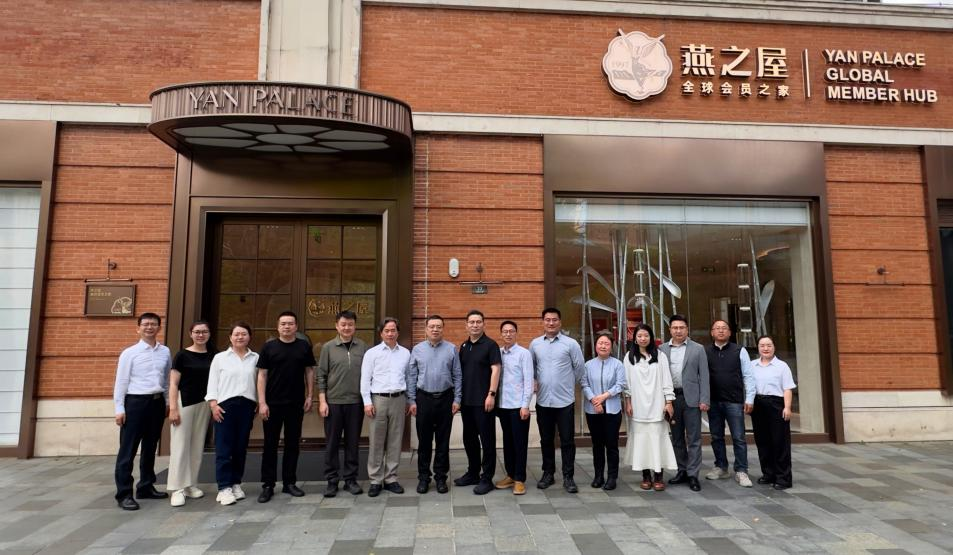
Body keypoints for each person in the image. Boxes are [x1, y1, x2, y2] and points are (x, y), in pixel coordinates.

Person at [113, 312, 172, 511]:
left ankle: (146, 486)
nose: (149, 327)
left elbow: (166, 379)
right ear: (138, 328)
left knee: (150, 447)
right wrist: (119, 408)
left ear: (159, 328)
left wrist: (167, 402)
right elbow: (121, 382)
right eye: (145, 324)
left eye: (153, 324)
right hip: (135, 403)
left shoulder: (165, 352)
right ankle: (124, 494)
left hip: (157, 403)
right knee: (128, 450)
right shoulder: (129, 353)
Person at [256, 311, 315, 502]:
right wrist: (262, 402)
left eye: (290, 323)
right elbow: (262, 375)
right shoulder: (269, 347)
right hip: (272, 404)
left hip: (295, 403)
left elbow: (309, 371)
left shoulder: (303, 346)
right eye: (283, 324)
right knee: (270, 445)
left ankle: (289, 483)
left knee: (292, 444)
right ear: (278, 326)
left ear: (296, 326)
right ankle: (268, 485)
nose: (287, 327)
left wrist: (310, 395)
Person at [530, 307, 585, 493]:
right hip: (543, 401)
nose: (551, 323)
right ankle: (548, 473)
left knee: (567, 441)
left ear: (560, 322)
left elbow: (579, 368)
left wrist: (568, 385)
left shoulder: (571, 344)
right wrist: (535, 381)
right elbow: (532, 368)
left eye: (554, 320)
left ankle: (568, 476)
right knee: (546, 440)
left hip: (565, 402)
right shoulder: (535, 344)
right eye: (547, 320)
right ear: (543, 322)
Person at [408, 315, 462, 494]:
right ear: (426, 329)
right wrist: (412, 400)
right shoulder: (417, 350)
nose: (435, 329)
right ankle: (424, 478)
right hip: (423, 399)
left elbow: (457, 375)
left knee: (443, 442)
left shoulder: (451, 349)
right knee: (424, 442)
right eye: (431, 326)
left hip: (445, 399)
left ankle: (441, 478)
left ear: (443, 329)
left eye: (438, 326)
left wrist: (457, 399)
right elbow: (412, 376)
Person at [206, 321, 258, 506]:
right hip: (225, 406)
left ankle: (236, 483)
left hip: (247, 405)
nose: (240, 337)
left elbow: (259, 381)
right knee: (224, 448)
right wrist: (213, 404)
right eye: (236, 334)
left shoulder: (256, 358)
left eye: (244, 334)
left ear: (249, 337)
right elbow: (212, 382)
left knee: (240, 447)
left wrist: (258, 402)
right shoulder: (220, 358)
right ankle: (224, 487)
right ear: (230, 337)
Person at [318, 310, 368, 498]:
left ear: (355, 326)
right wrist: (322, 401)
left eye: (350, 324)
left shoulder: (362, 347)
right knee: (332, 443)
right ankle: (332, 480)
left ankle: (350, 479)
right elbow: (321, 376)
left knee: (352, 443)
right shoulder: (328, 347)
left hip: (355, 402)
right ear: (337, 326)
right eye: (343, 324)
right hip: (333, 403)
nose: (347, 328)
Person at [623, 323, 678, 491]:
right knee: (642, 443)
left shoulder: (660, 356)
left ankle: (659, 475)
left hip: (657, 406)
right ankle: (646, 475)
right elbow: (626, 383)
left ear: (651, 337)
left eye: (646, 335)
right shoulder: (629, 357)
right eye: (639, 336)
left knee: (657, 441)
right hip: (638, 407)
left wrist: (669, 402)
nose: (643, 338)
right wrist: (628, 402)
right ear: (635, 338)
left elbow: (667, 380)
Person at [361, 317, 410, 497]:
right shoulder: (371, 353)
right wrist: (367, 402)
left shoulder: (405, 353)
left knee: (395, 441)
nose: (390, 333)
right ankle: (375, 479)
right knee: (377, 441)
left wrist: (409, 400)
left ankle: (391, 478)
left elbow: (409, 378)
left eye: (393, 330)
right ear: (381, 333)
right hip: (378, 400)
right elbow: (365, 379)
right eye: (387, 331)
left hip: (399, 399)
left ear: (398, 332)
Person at [659, 314, 709, 492]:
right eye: (675, 328)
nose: (678, 331)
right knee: (677, 437)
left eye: (681, 327)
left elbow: (704, 375)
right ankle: (682, 470)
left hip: (692, 399)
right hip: (672, 399)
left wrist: (704, 399)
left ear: (687, 329)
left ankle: (693, 474)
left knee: (694, 438)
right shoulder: (662, 349)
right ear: (670, 330)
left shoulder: (698, 349)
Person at [167, 320, 214, 507]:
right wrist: (172, 408)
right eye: (197, 332)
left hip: (204, 404)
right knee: (180, 446)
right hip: (184, 403)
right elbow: (173, 383)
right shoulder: (182, 355)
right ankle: (177, 488)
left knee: (196, 446)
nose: (201, 335)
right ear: (191, 334)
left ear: (209, 334)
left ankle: (190, 484)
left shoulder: (214, 355)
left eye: (204, 332)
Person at [455, 309, 502, 495]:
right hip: (467, 402)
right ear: (466, 325)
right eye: (471, 322)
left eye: (478, 322)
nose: (475, 325)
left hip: (484, 402)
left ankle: (487, 478)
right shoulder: (464, 346)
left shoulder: (491, 345)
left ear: (484, 324)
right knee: (469, 439)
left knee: (487, 440)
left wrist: (491, 394)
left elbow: (496, 370)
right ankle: (473, 473)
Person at [704, 320, 756, 488]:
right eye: (717, 328)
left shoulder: (739, 351)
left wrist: (749, 398)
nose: (720, 331)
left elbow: (748, 376)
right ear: (712, 332)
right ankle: (721, 466)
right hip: (713, 401)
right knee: (716, 436)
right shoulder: (705, 351)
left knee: (739, 437)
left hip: (734, 401)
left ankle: (741, 470)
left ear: (729, 332)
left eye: (724, 328)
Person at [580, 331, 626, 491]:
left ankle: (612, 477)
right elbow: (584, 384)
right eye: (600, 343)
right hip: (593, 411)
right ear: (595, 346)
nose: (603, 346)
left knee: (612, 444)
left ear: (611, 347)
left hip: (612, 410)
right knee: (597, 444)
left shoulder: (617, 364)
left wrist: (603, 397)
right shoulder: (588, 365)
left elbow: (620, 384)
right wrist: (595, 400)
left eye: (607, 343)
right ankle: (598, 476)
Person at [750, 335, 797, 490]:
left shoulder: (782, 366)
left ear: (774, 347)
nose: (766, 348)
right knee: (762, 441)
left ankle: (783, 478)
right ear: (758, 348)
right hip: (758, 404)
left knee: (780, 442)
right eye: (762, 345)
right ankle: (768, 474)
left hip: (777, 404)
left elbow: (787, 388)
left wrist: (787, 407)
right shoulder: (752, 365)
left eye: (769, 345)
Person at [495, 320, 533, 495]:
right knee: (508, 442)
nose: (508, 334)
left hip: (519, 407)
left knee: (520, 443)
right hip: (503, 406)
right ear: (501, 334)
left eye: (511, 331)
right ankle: (510, 475)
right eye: (505, 331)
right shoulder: (498, 353)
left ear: (516, 333)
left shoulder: (524, 354)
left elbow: (528, 381)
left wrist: (526, 405)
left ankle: (519, 479)